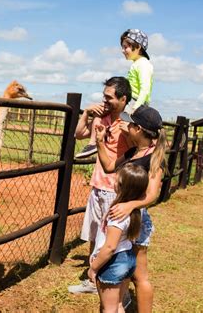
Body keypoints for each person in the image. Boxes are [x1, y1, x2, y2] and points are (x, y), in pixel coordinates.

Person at [95, 105, 167, 313]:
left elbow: (152, 194)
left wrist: (130, 205)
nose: (126, 125)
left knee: (140, 276)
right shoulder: (134, 152)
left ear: (139, 129)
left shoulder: (154, 157)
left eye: (131, 123)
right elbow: (109, 166)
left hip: (136, 218)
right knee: (126, 269)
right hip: (127, 217)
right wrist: (100, 141)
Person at [68, 76, 132, 295]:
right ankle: (93, 276)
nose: (104, 101)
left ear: (123, 99)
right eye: (103, 96)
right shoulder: (100, 117)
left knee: (110, 237)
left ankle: (105, 279)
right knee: (95, 233)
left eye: (109, 97)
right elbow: (78, 134)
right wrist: (85, 114)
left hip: (116, 189)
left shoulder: (128, 124)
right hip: (97, 185)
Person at [75, 28, 153, 159]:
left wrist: (135, 107)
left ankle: (94, 143)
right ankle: (94, 141)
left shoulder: (143, 64)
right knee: (101, 112)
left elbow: (145, 88)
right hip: (133, 100)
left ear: (138, 47)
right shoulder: (137, 64)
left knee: (125, 127)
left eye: (126, 47)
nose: (123, 51)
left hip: (134, 101)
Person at [88, 163, 148, 312]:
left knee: (108, 308)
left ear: (121, 186)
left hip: (114, 262)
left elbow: (110, 247)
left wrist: (94, 268)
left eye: (116, 179)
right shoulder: (134, 211)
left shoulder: (117, 215)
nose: (113, 181)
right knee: (119, 305)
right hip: (128, 259)